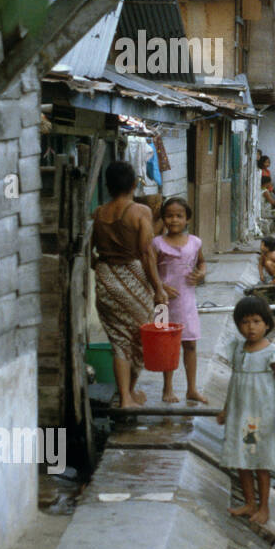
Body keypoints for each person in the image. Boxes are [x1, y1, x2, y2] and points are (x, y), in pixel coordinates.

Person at [217, 296, 275, 526]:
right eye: (245, 322)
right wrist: (226, 410)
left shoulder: (271, 351)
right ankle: (249, 502)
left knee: (260, 461)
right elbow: (234, 383)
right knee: (242, 459)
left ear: (267, 324)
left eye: (256, 321)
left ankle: (264, 507)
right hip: (241, 413)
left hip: (259, 415)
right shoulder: (237, 349)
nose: (251, 327)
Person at [92, 161, 168, 408]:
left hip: (105, 275)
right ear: (134, 184)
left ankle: (127, 396)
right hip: (132, 275)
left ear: (108, 185)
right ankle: (127, 396)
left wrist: (105, 271)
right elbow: (147, 253)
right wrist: (158, 288)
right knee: (138, 338)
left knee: (118, 340)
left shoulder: (99, 213)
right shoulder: (140, 212)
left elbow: (91, 250)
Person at [153, 197, 207, 405]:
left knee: (190, 345)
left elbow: (201, 263)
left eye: (179, 216)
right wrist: (159, 286)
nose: (174, 220)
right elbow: (148, 270)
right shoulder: (156, 243)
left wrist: (201, 273)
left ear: (187, 220)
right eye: (169, 216)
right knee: (166, 346)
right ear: (163, 219)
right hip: (163, 303)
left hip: (187, 301)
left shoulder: (195, 242)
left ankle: (191, 389)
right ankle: (167, 388)